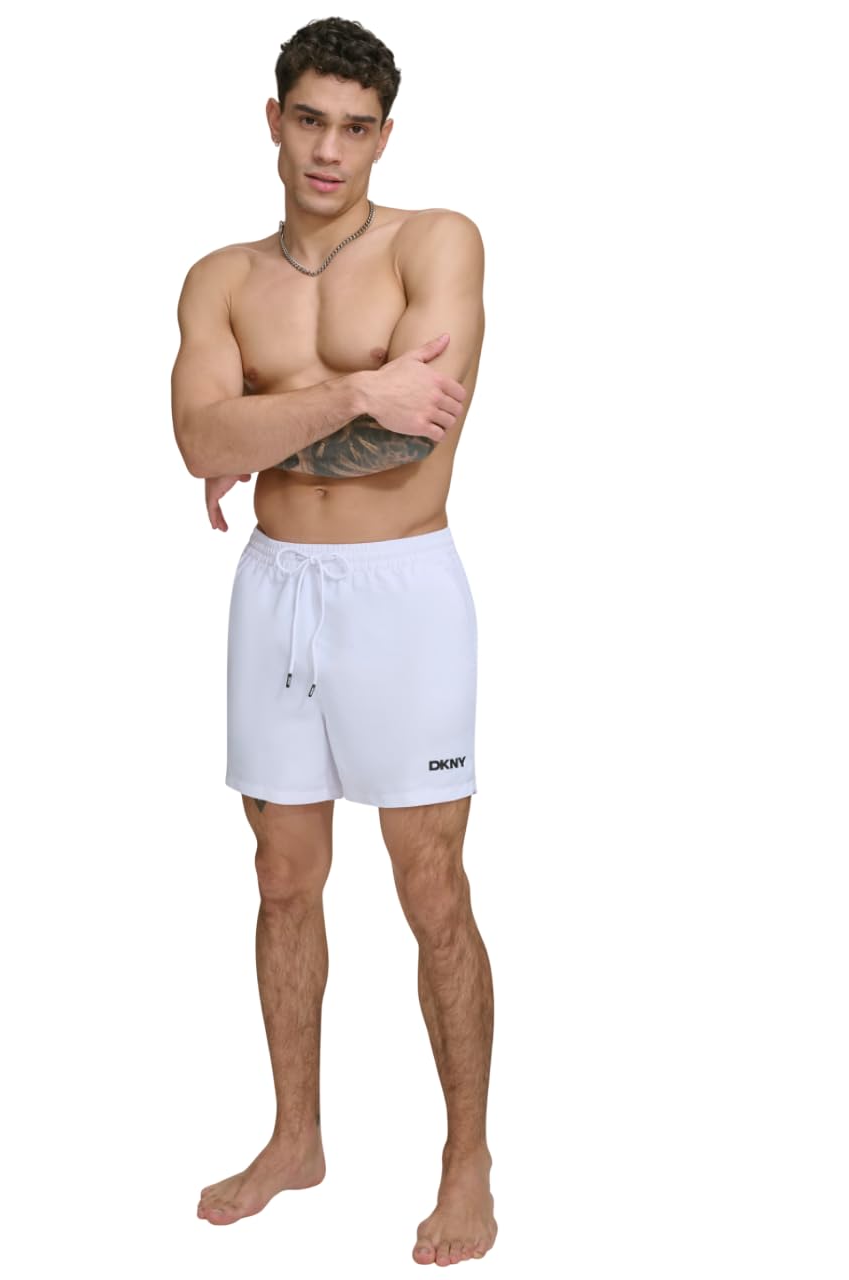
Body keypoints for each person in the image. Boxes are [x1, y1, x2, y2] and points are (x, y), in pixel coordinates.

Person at [171, 17, 496, 1267]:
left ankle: (465, 1158)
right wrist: (357, 389)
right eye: (309, 119)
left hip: (401, 591)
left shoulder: (436, 241)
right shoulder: (218, 278)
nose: (329, 149)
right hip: (273, 590)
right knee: (281, 875)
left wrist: (259, 424)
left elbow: (414, 437)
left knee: (432, 885)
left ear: (383, 138)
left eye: (355, 128)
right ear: (274, 119)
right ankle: (295, 1135)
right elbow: (197, 443)